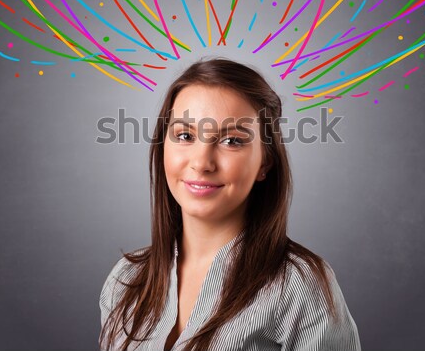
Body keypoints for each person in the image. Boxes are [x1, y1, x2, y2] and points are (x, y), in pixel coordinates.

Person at [99, 57, 361, 351]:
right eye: (185, 135)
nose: (201, 163)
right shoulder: (125, 281)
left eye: (232, 141)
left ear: (265, 162)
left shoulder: (300, 286)